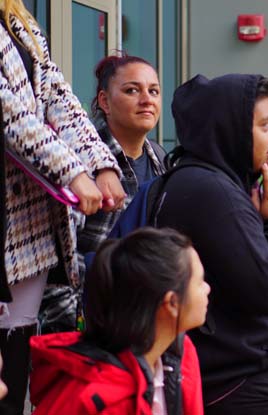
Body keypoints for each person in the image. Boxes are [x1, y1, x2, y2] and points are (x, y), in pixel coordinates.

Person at [155, 73, 268, 414]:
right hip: (244, 380)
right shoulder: (214, 192)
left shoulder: (202, 180)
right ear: (233, 129)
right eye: (265, 125)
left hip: (234, 376)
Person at [0, 1, 125, 412]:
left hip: (26, 220)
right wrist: (72, 172)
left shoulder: (20, 20)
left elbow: (59, 97)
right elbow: (10, 114)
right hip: (13, 209)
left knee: (16, 352)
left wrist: (100, 163)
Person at [40, 52, 167, 334]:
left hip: (142, 313)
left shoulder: (160, 158)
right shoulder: (79, 163)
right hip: (89, 319)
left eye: (154, 91)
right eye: (132, 90)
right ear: (104, 102)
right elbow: (62, 257)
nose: (147, 99)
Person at [29, 227, 209, 414]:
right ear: (171, 302)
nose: (207, 289)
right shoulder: (100, 400)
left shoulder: (180, 351)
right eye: (200, 282)